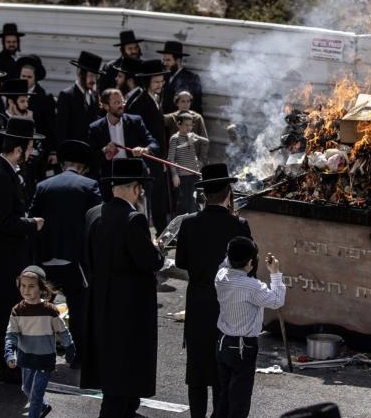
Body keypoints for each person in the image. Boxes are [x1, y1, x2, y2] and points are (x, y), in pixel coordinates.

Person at [82, 158, 165, 418]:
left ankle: (123, 407)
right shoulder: (133, 219)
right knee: (127, 362)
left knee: (110, 361)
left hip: (100, 299)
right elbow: (151, 261)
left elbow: (85, 257)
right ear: (135, 188)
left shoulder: (93, 213)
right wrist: (157, 248)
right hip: (129, 305)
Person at [176, 163, 252, 417]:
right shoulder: (239, 225)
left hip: (199, 301)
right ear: (229, 192)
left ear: (203, 194)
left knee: (197, 368)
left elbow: (181, 262)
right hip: (228, 303)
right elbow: (251, 267)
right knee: (223, 368)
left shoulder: (188, 224)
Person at [0, 116, 46, 384]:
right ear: (19, 148)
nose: (32, 152)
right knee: (4, 313)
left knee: (9, 312)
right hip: (4, 257)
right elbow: (2, 220)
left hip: (9, 254)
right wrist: (33, 224)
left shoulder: (5, 169)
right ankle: (7, 368)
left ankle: (10, 365)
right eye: (30, 146)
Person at [30, 140, 101, 366]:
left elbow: (32, 219)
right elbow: (97, 222)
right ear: (81, 167)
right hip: (75, 259)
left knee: (40, 307)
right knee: (78, 309)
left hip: (46, 257)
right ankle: (79, 356)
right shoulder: (89, 186)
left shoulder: (43, 186)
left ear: (63, 165)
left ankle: (37, 353)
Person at [214, 237, 286, 418]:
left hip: (223, 342)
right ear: (251, 262)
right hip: (242, 346)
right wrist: (275, 273)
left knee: (224, 396)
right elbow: (277, 301)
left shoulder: (221, 276)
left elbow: (227, 261)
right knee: (240, 400)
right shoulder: (252, 286)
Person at [4, 265, 76, 418]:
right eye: (23, 286)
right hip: (26, 357)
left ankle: (36, 410)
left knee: (35, 396)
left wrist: (69, 348)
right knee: (27, 389)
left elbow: (62, 331)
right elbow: (11, 334)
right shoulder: (17, 310)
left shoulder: (50, 310)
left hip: (45, 359)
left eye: (31, 286)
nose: (26, 290)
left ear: (41, 288)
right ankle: (44, 406)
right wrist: (10, 353)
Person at [125, 59, 171, 230]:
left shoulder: (155, 98)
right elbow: (135, 135)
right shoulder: (139, 103)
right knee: (149, 202)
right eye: (157, 82)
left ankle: (162, 232)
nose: (161, 84)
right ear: (147, 82)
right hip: (147, 160)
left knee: (159, 200)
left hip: (158, 158)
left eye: (162, 81)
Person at [87, 88, 158, 173]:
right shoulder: (96, 128)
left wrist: (145, 149)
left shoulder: (135, 121)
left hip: (134, 172)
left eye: (122, 101)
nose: (121, 105)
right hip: (111, 175)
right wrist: (105, 150)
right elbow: (91, 157)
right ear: (106, 106)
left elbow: (154, 143)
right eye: (116, 103)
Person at [55, 51, 104, 146]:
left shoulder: (94, 96)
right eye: (90, 76)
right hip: (72, 151)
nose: (93, 80)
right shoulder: (67, 95)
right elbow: (61, 129)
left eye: (95, 76)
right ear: (80, 74)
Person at [168, 113, 207, 215]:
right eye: (186, 125)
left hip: (194, 174)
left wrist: (200, 162)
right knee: (183, 203)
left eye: (190, 125)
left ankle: (194, 225)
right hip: (183, 176)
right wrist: (174, 175)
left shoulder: (191, 136)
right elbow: (170, 159)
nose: (188, 128)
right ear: (179, 124)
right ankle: (177, 225)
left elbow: (206, 141)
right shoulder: (175, 138)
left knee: (195, 202)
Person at [158, 40, 203, 115]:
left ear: (178, 60)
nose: (165, 63)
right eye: (164, 60)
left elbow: (195, 108)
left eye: (168, 60)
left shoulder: (190, 78)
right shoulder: (165, 77)